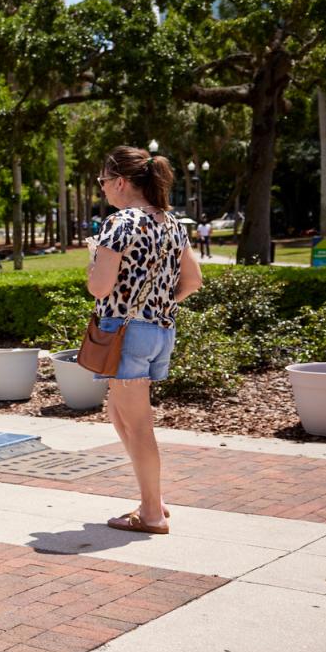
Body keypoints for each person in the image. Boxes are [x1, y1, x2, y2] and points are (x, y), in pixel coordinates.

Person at [88, 146, 203, 535]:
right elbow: (193, 281)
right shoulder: (171, 223)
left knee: (137, 424)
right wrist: (157, 305)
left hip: (125, 334)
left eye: (104, 182)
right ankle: (152, 497)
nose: (103, 189)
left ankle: (152, 511)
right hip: (159, 331)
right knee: (119, 414)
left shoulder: (120, 224)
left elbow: (100, 286)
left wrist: (92, 263)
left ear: (120, 181)